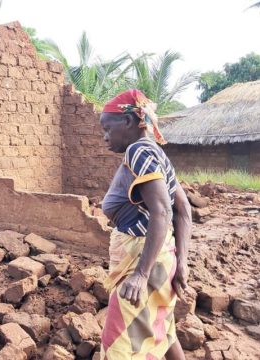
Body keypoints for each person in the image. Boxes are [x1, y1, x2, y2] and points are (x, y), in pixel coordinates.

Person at [99, 89, 192, 360]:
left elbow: (162, 210)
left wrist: (140, 274)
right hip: (162, 259)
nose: (104, 136)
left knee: (118, 345)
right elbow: (183, 209)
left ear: (128, 122)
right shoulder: (156, 153)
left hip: (143, 262)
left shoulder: (138, 150)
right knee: (163, 329)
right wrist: (181, 262)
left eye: (107, 128)